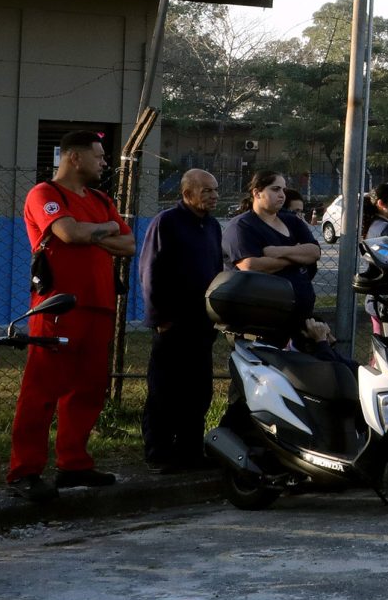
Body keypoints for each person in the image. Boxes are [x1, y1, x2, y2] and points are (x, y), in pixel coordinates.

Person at [135, 167, 223, 472]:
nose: (213, 196)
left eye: (215, 190)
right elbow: (150, 271)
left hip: (203, 322)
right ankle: (158, 452)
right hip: (173, 322)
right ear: (187, 194)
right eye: (206, 190)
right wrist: (160, 317)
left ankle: (190, 450)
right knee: (165, 389)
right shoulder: (167, 223)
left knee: (198, 390)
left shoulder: (212, 226)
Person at [222, 170, 328, 337]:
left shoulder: (292, 221)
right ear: (257, 193)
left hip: (297, 319)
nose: (282, 195)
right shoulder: (241, 226)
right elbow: (251, 266)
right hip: (260, 322)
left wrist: (277, 252)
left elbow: (314, 252)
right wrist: (297, 257)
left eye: (283, 190)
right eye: (275, 189)